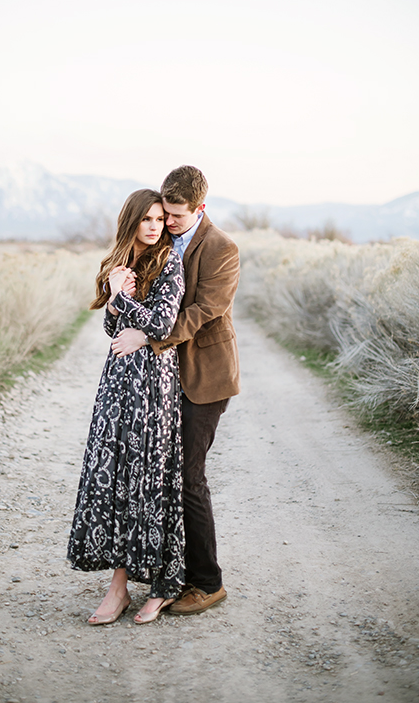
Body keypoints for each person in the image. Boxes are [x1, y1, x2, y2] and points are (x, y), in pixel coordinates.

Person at [111, 165, 240, 615]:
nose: (167, 222)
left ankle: (208, 583)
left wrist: (150, 336)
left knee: (188, 477)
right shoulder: (159, 242)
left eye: (176, 217)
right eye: (163, 214)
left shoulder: (223, 248)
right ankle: (170, 574)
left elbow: (205, 309)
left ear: (199, 208)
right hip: (162, 381)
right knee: (160, 477)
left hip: (205, 378)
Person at [67, 188, 186, 625]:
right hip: (118, 382)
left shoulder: (170, 260)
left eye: (160, 219)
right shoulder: (121, 264)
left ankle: (161, 584)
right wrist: (117, 297)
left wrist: (125, 303)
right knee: (114, 477)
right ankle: (116, 589)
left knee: (148, 478)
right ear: (132, 222)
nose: (155, 226)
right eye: (147, 219)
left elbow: (162, 323)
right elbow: (111, 325)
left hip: (154, 384)